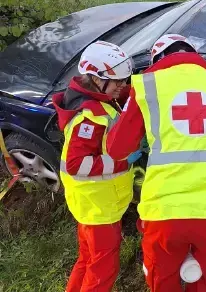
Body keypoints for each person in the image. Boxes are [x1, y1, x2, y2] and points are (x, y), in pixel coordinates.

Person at [106, 34, 206, 292]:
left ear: (156, 60)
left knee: (162, 280)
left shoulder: (148, 85)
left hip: (164, 211)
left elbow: (117, 149)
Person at [51, 41, 139, 292]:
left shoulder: (92, 97)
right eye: (118, 81)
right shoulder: (88, 117)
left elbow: (119, 94)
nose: (122, 85)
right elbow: (77, 164)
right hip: (99, 205)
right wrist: (125, 158)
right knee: (103, 269)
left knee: (88, 259)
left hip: (92, 203)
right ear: (96, 79)